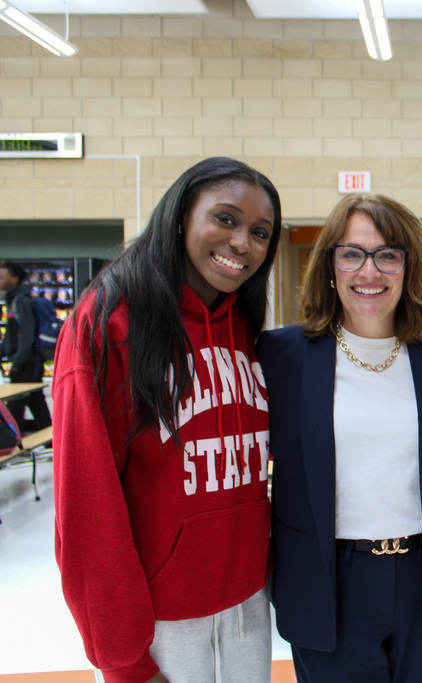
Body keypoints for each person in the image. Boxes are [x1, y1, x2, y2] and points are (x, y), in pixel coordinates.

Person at [51, 157, 282, 683]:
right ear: (181, 217)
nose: (242, 242)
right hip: (159, 623)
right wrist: (125, 659)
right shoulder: (108, 321)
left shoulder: (243, 326)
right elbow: (86, 510)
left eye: (260, 232)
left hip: (247, 602)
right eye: (225, 218)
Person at [257, 193, 422, 683]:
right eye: (352, 253)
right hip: (327, 579)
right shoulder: (282, 356)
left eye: (387, 255)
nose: (369, 271)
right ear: (330, 265)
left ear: (409, 266)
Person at [0, 261, 52, 432]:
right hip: (30, 360)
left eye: (2, 277)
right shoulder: (18, 299)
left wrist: (18, 361)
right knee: (35, 400)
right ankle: (50, 441)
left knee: (16, 402)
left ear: (14, 279)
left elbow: (26, 334)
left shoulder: (20, 301)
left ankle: (15, 442)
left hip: (27, 361)